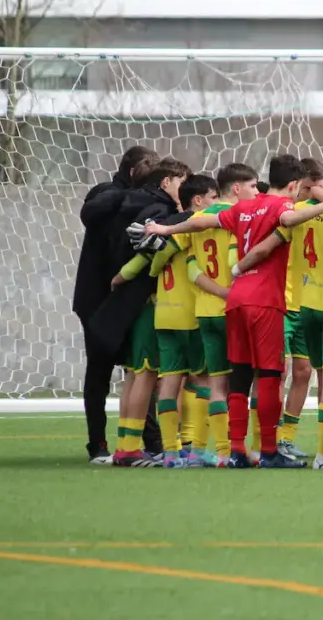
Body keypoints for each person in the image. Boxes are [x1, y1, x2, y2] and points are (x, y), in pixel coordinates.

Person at [145, 154, 323, 469]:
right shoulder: (281, 206)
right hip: (264, 301)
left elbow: (202, 220)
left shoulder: (244, 207)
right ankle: (269, 451)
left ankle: (237, 450)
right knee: (269, 376)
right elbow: (285, 222)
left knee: (239, 377)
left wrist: (164, 228)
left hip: (236, 302)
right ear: (294, 186)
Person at [114, 174, 219, 468]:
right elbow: (194, 268)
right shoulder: (195, 228)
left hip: (163, 314)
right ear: (198, 201)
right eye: (213, 198)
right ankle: (195, 447)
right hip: (191, 314)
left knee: (168, 380)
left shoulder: (164, 232)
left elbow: (146, 262)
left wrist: (121, 277)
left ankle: (170, 451)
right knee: (202, 379)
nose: (217, 204)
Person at [103, 157, 192, 467]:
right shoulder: (162, 214)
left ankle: (127, 446)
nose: (185, 188)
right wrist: (126, 276)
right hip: (149, 303)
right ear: (166, 182)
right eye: (182, 181)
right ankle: (130, 449)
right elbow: (149, 253)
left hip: (133, 302)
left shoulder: (137, 205)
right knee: (145, 374)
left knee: (135, 374)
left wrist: (120, 279)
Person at [74, 145, 159, 463]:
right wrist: (130, 197)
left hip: (128, 298)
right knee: (99, 370)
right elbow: (89, 213)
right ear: (135, 170)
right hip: (96, 299)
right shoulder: (107, 194)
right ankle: (97, 444)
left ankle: (148, 441)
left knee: (141, 368)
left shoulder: (150, 204)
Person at [182, 163, 259, 468]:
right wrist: (230, 292)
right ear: (236, 188)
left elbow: (191, 267)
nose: (256, 193)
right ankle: (240, 449)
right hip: (233, 310)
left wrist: (214, 292)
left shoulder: (196, 219)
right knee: (243, 382)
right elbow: (234, 261)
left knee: (214, 384)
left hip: (205, 311)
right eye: (252, 186)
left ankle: (214, 451)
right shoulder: (236, 218)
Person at [273, 157, 323, 460]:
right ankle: (270, 437)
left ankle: (288, 437)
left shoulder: (321, 213)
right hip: (281, 303)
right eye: (308, 187)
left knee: (305, 371)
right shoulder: (287, 213)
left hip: (306, 304)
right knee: (277, 373)